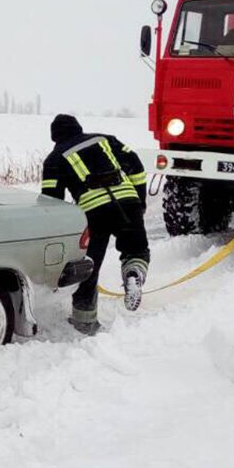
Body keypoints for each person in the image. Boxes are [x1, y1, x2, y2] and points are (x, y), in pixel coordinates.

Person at [40, 114, 149, 334]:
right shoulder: (105, 139)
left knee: (89, 267)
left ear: (55, 137)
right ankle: (133, 274)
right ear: (79, 128)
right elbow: (136, 165)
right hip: (128, 204)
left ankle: (85, 322)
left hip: (93, 214)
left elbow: (51, 200)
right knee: (136, 249)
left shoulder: (54, 159)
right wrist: (140, 200)